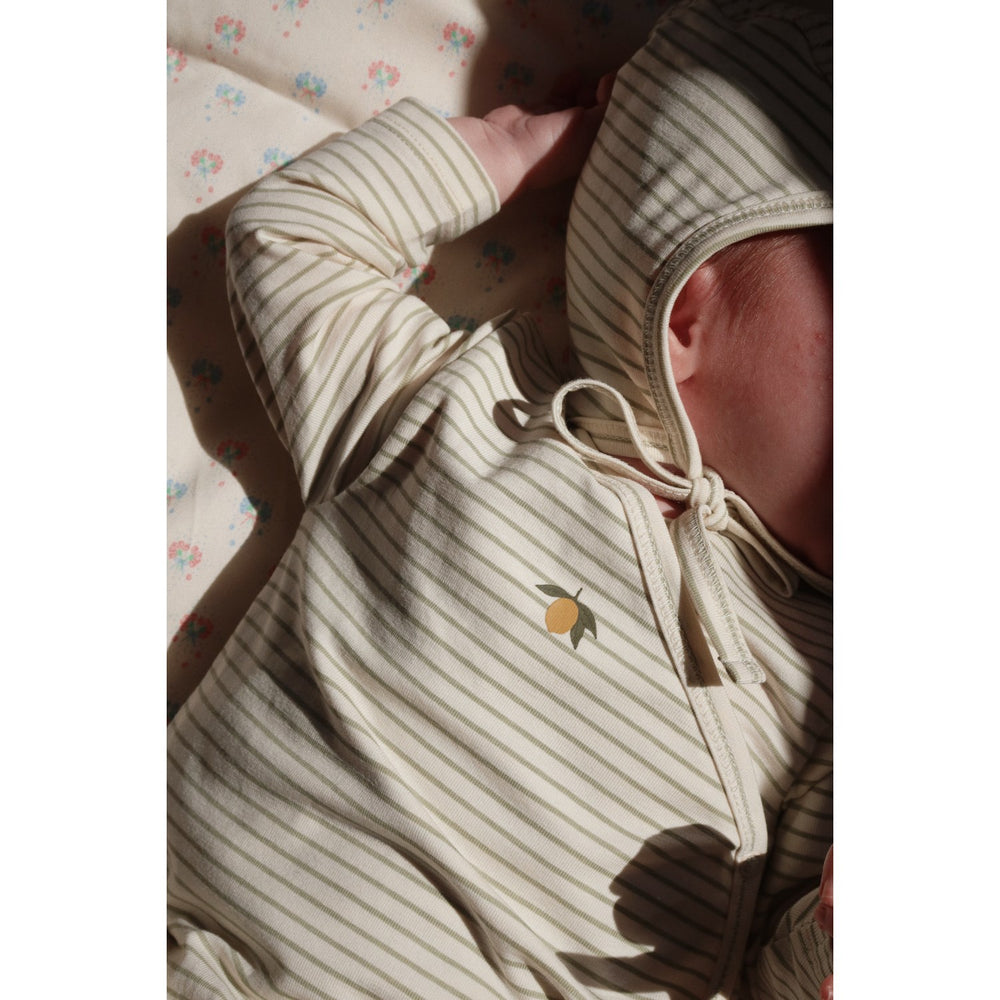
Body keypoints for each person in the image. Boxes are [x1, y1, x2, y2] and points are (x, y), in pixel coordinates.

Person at [167, 1, 833, 997]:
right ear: (685, 309)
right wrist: (520, 146)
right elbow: (293, 237)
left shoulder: (838, 687)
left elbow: (774, 974)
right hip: (220, 949)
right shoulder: (466, 413)